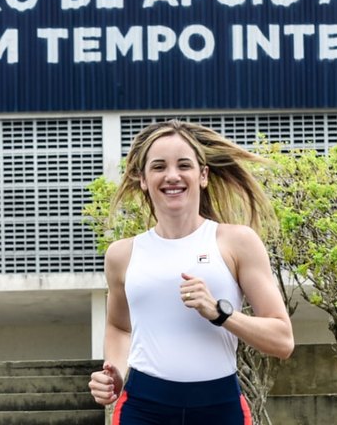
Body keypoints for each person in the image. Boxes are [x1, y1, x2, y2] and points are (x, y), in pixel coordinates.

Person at [89, 119, 294, 424]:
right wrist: (115, 372)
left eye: (183, 165)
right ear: (143, 179)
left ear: (203, 175)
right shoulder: (122, 254)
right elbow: (120, 327)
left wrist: (220, 313)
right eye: (158, 167)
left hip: (219, 407)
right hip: (143, 408)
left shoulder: (236, 242)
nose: (172, 176)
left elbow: (283, 340)